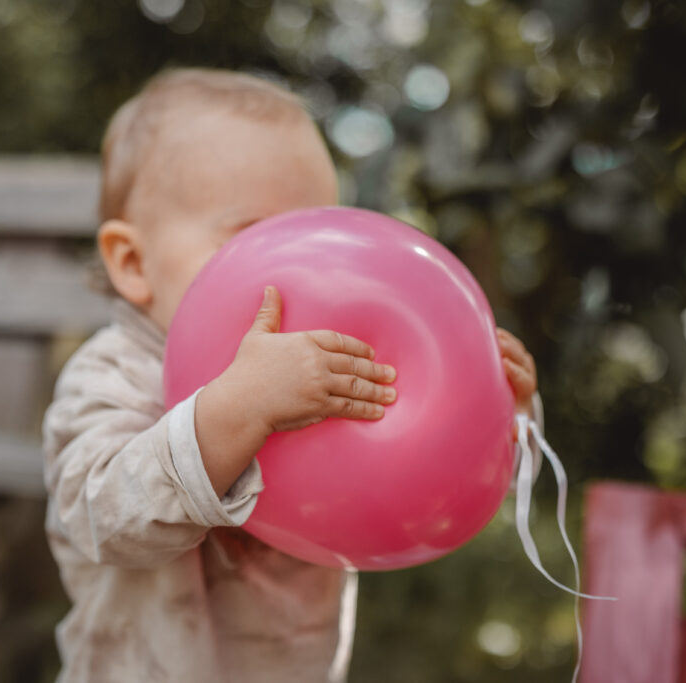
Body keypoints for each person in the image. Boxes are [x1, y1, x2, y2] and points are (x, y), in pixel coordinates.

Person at [42, 66, 544, 683]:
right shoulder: (113, 373)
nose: (297, 268)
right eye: (254, 235)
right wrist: (236, 409)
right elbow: (99, 517)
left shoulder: (322, 363)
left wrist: (498, 415)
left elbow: (423, 479)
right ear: (132, 262)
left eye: (317, 235)